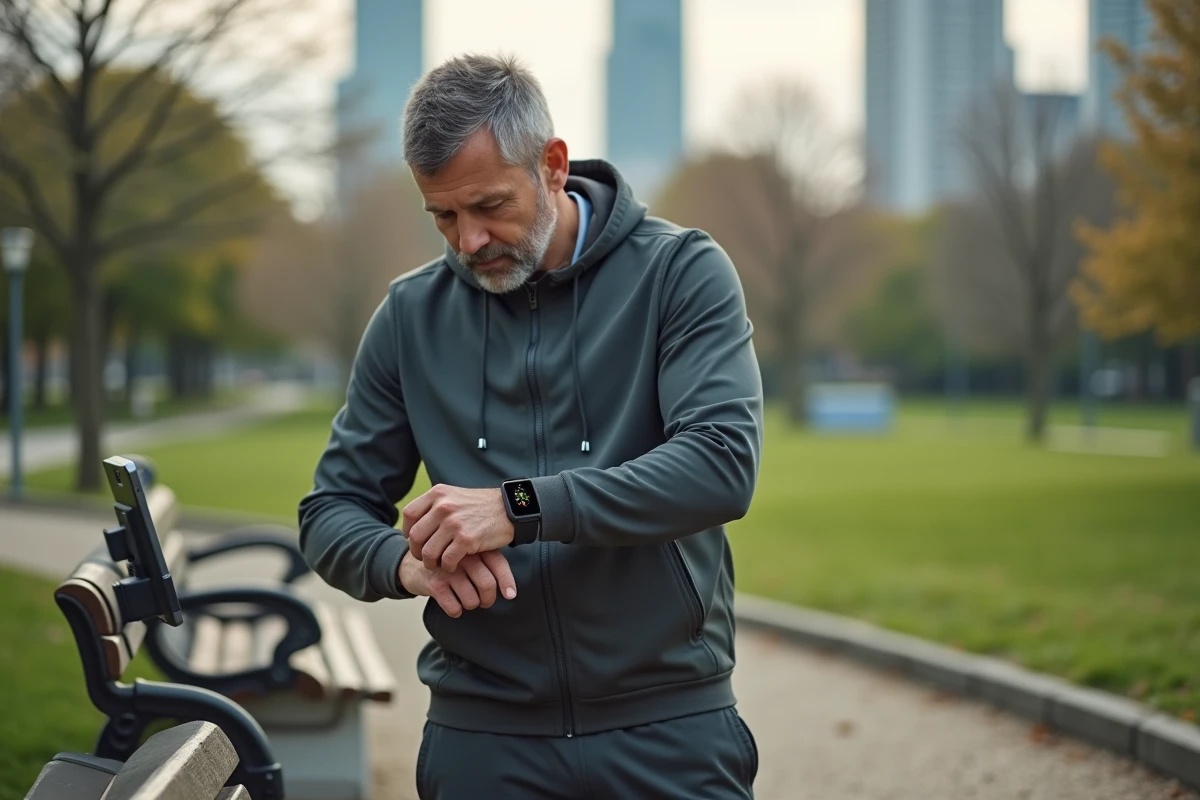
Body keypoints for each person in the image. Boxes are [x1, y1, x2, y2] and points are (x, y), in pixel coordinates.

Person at [299, 53, 764, 799]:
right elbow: (329, 512)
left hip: (668, 726)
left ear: (552, 165)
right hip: (483, 741)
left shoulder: (680, 272)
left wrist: (519, 507)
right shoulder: (409, 317)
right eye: (443, 216)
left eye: (488, 206)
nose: (468, 241)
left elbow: (719, 465)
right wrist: (402, 562)